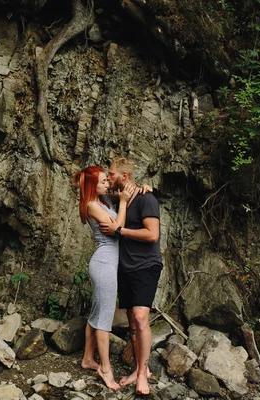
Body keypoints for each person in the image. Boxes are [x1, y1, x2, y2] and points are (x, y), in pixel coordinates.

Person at [100, 156, 162, 395]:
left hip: (146, 265)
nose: (109, 177)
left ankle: (142, 377)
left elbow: (152, 234)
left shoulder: (147, 199)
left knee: (140, 316)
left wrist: (120, 230)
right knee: (132, 322)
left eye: (112, 174)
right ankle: (140, 369)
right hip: (125, 267)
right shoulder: (120, 199)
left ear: (124, 176)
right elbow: (90, 191)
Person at [75, 166, 133, 390]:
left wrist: (142, 188)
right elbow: (117, 227)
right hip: (105, 263)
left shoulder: (103, 201)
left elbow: (125, 189)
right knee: (105, 319)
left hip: (108, 262)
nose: (107, 184)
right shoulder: (92, 206)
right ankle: (105, 368)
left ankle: (88, 359)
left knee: (97, 313)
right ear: (92, 185)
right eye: (102, 182)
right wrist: (124, 203)